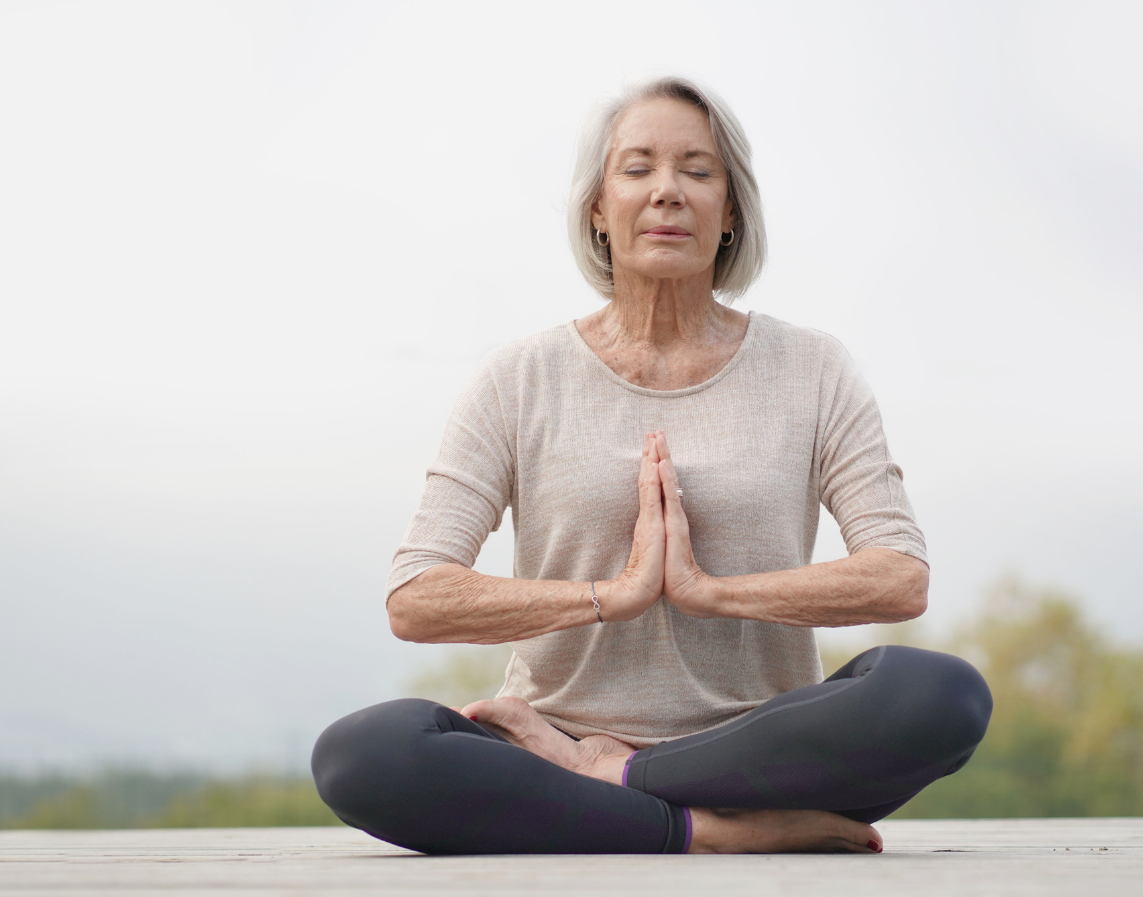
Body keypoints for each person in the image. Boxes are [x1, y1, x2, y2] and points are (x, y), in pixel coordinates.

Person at [312, 77, 991, 855]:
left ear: (731, 209)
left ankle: (629, 790)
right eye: (637, 169)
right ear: (597, 207)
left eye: (697, 172)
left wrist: (709, 593)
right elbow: (418, 597)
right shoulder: (518, 378)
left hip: (763, 755)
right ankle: (704, 831)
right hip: (550, 746)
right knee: (361, 753)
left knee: (942, 695)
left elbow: (899, 575)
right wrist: (612, 595)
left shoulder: (813, 369)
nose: (667, 191)